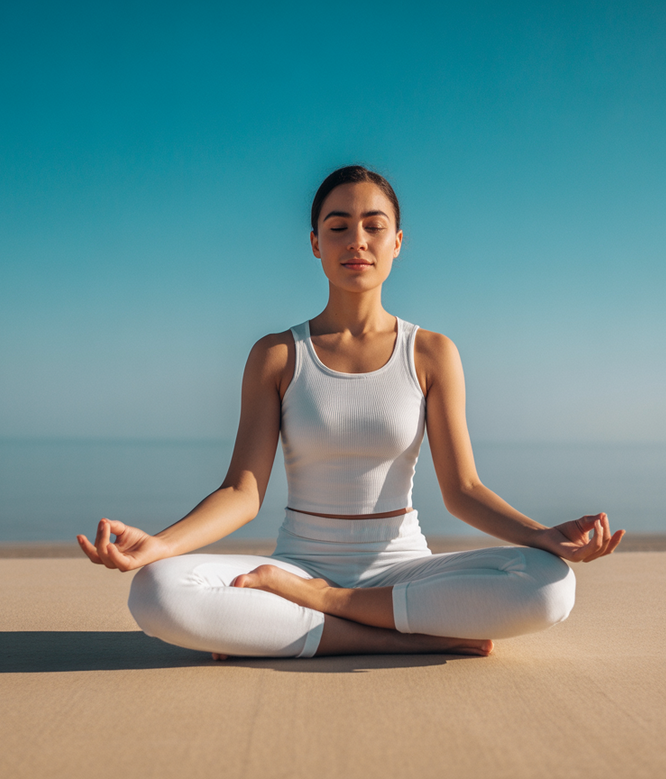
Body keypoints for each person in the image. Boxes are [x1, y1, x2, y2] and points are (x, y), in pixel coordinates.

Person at [77, 165, 624, 659]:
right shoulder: (277, 354)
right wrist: (160, 545)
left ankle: (321, 607)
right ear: (316, 244)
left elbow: (463, 490)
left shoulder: (431, 353)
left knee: (548, 584)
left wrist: (543, 536)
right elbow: (242, 492)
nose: (356, 240)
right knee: (156, 590)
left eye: (373, 226)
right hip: (296, 564)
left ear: (397, 242)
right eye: (337, 226)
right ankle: (398, 635)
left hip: (402, 569)